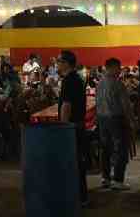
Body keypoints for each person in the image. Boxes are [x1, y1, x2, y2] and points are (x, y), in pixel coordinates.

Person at [96, 57, 134, 190]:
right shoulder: (118, 84)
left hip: (102, 119)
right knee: (121, 148)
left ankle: (105, 178)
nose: (120, 70)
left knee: (105, 149)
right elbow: (126, 105)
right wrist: (131, 120)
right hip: (116, 119)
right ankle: (118, 180)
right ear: (112, 67)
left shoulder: (99, 83)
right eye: (118, 67)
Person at [57, 50, 89, 207]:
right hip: (78, 125)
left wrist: (63, 128)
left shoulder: (69, 81)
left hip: (71, 127)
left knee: (72, 163)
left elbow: (66, 105)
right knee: (78, 162)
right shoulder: (78, 78)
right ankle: (81, 195)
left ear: (66, 63)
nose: (57, 64)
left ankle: (76, 197)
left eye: (59, 61)